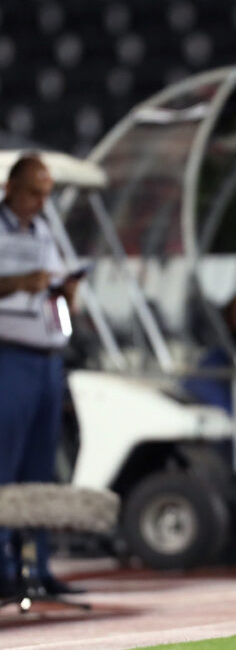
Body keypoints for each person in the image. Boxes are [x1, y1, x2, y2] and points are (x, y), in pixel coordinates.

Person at [0, 155, 80, 596]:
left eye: (46, 193)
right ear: (10, 187)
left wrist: (66, 290)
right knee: (4, 466)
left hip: (47, 356)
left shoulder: (45, 230)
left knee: (39, 471)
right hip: (8, 356)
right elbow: (18, 284)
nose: (40, 201)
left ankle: (39, 567)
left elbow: (48, 283)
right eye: (33, 191)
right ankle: (3, 570)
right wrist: (16, 284)